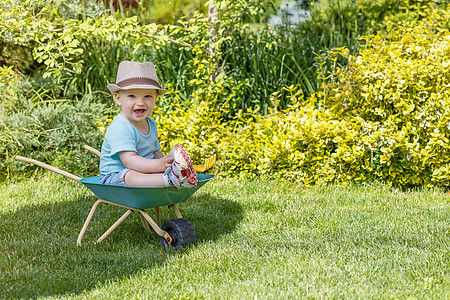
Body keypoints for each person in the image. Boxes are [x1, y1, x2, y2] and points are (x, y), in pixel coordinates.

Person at [98, 61, 198, 189]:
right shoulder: (121, 127)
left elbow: (155, 151)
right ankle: (170, 180)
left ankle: (173, 175)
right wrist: (159, 165)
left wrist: (167, 164)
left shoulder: (150, 123)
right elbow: (129, 161)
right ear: (118, 98)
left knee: (160, 167)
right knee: (130, 175)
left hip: (143, 173)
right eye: (132, 96)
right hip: (115, 179)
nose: (140, 102)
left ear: (156, 98)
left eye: (148, 96)